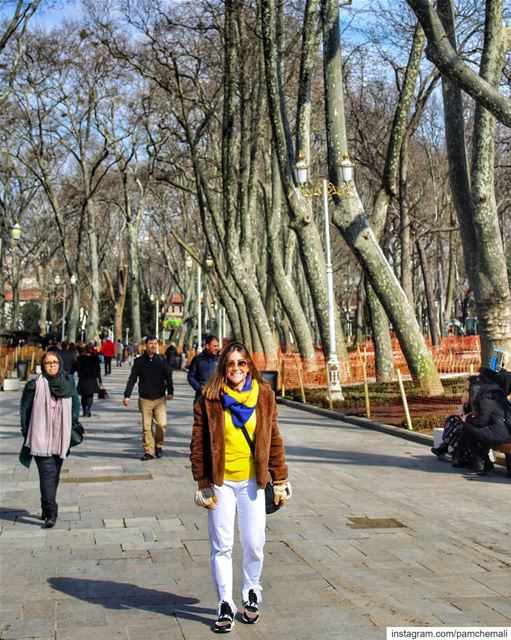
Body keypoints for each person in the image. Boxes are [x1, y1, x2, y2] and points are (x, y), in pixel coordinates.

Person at [190, 341, 291, 633]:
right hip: (221, 483)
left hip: (252, 482)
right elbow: (198, 443)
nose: (236, 368)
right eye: (231, 363)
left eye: (241, 363)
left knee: (253, 542)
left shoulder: (265, 396)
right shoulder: (209, 398)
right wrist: (202, 482)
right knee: (221, 544)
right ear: (224, 366)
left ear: (249, 366)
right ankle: (224, 601)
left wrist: (280, 478)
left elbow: (274, 439)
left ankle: (251, 591)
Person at [19, 352, 80, 528]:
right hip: (39, 436)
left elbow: (75, 404)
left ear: (59, 364)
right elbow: (25, 410)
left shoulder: (68, 382)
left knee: (54, 474)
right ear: (43, 366)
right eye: (48, 363)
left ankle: (46, 504)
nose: (52, 365)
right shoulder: (34, 385)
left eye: (54, 362)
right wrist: (26, 432)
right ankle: (52, 513)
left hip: (61, 436)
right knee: (47, 473)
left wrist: (72, 421)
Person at [123, 336, 174, 460]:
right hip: (145, 398)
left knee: (162, 424)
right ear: (146, 345)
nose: (153, 345)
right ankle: (149, 451)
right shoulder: (139, 361)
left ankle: (158, 445)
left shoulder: (161, 360)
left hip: (160, 398)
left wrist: (171, 391)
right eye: (150, 343)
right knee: (147, 427)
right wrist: (127, 395)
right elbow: (133, 378)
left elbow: (168, 376)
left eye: (155, 343)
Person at [453, 370, 511, 475]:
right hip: (507, 432)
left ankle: (479, 464)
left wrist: (467, 419)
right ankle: (479, 462)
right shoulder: (498, 394)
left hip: (500, 434)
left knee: (468, 429)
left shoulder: (486, 396)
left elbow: (481, 422)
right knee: (474, 431)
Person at [431, 392, 471, 462]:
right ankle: (444, 446)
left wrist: (467, 417)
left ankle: (456, 451)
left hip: (474, 423)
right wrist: (465, 406)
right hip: (467, 420)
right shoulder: (468, 401)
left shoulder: (480, 401)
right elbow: (464, 413)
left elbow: (478, 414)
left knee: (460, 427)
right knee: (452, 418)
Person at [187, 335, 221, 401]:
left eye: (217, 346)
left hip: (217, 397)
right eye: (214, 346)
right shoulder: (198, 359)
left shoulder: (221, 359)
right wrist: (199, 388)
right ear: (207, 346)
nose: (217, 348)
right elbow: (190, 376)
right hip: (201, 397)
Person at [76, 344, 102, 417]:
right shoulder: (95, 358)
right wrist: (100, 380)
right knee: (90, 396)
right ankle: (88, 410)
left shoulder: (81, 358)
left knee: (83, 396)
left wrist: (80, 374)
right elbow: (98, 369)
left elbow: (78, 368)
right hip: (92, 378)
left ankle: (84, 410)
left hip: (83, 379)